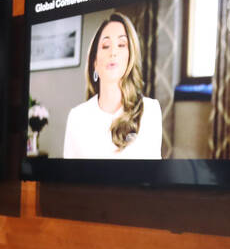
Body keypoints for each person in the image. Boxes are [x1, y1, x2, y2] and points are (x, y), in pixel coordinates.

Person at [62, 12, 161, 159]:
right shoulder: (77, 117)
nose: (113, 52)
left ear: (130, 57)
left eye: (121, 45)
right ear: (94, 62)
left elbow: (154, 177)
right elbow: (67, 179)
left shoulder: (150, 110)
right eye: (106, 46)